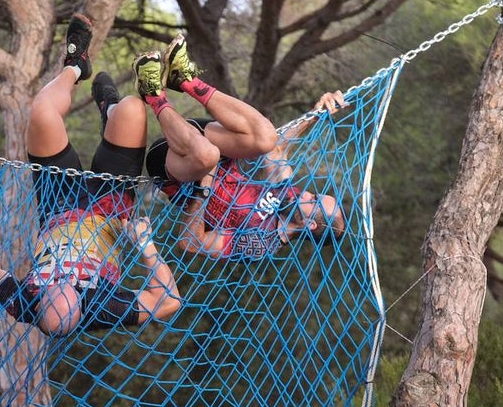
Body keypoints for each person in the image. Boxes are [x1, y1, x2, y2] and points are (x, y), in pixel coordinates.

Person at [0, 13, 180, 335]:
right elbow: (168, 303)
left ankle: (75, 65)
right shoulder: (103, 308)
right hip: (110, 211)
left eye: (50, 289)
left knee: (41, 113)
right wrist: (146, 246)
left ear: (40, 301)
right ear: (80, 305)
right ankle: (109, 108)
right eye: (68, 290)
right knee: (131, 110)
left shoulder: (24, 303)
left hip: (58, 203)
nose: (60, 283)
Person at [135, 33, 347, 259]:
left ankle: (152, 93)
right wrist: (315, 114)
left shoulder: (261, 242)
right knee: (267, 138)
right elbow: (275, 151)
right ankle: (184, 80)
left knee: (208, 156)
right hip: (207, 139)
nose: (306, 194)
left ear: (308, 224)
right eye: (314, 194)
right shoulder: (287, 195)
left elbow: (191, 243)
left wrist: (204, 188)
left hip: (180, 169)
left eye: (313, 201)